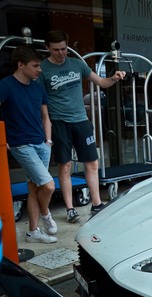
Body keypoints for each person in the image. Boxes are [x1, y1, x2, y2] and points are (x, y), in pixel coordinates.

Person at [39, 30, 126, 223]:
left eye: (63, 48)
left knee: (92, 163)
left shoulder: (77, 64)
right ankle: (70, 209)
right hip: (59, 122)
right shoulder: (42, 69)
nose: (61, 53)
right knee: (65, 165)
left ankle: (96, 205)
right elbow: (40, 101)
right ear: (48, 48)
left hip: (81, 120)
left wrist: (114, 77)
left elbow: (101, 82)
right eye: (56, 50)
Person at [0, 46, 57, 243]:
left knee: (35, 188)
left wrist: (48, 141)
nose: (39, 70)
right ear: (21, 65)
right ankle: (46, 215)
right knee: (48, 186)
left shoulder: (38, 87)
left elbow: (45, 116)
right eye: (35, 66)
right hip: (21, 144)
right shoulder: (5, 86)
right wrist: (3, 139)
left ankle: (33, 232)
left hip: (42, 143)